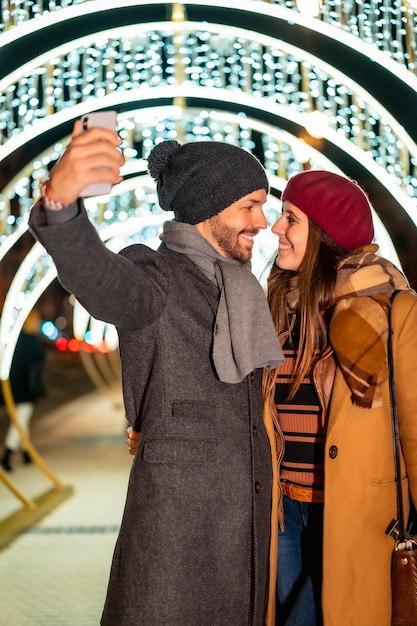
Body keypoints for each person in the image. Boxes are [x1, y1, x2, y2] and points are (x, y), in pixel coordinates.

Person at [28, 121, 284, 626]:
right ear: (210, 205)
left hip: (246, 526)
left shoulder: (243, 287)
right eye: (248, 205)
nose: (262, 219)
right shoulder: (157, 277)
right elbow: (100, 281)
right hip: (179, 536)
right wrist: (61, 206)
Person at [261, 170, 417, 626]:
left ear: (324, 232)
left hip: (359, 513)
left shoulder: (390, 309)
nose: (276, 229)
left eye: (290, 218)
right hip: (286, 509)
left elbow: (414, 423)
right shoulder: (275, 306)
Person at [1, 313, 47, 472]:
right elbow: (40, 359)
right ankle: (7, 454)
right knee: (21, 419)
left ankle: (27, 453)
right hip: (26, 387)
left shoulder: (9, 338)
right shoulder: (30, 339)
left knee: (22, 418)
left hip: (9, 386)